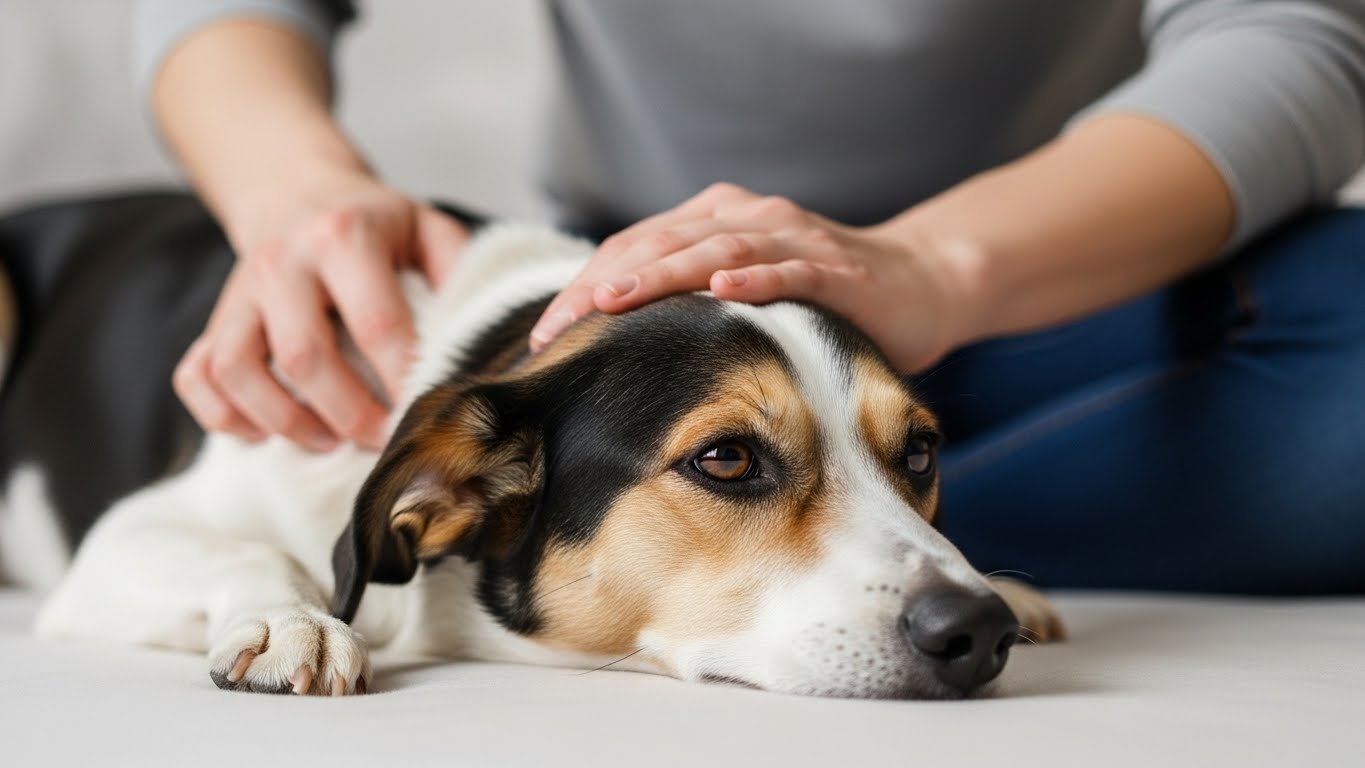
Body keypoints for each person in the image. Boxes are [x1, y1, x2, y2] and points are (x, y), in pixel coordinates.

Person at [134, 1, 1365, 593]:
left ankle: (779, 515)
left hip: (1063, 282)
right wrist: (294, 188)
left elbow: (1296, 33)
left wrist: (936, 267)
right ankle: (779, 516)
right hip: (632, 304)